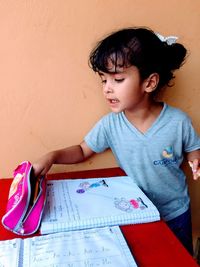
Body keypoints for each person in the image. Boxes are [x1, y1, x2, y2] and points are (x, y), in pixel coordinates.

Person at [33, 27, 200, 255]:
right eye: (103, 80)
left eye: (118, 79)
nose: (107, 89)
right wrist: (51, 156)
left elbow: (192, 148)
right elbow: (82, 151)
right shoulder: (110, 124)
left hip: (175, 213)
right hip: (135, 214)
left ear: (149, 83)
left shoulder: (178, 121)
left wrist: (195, 159)